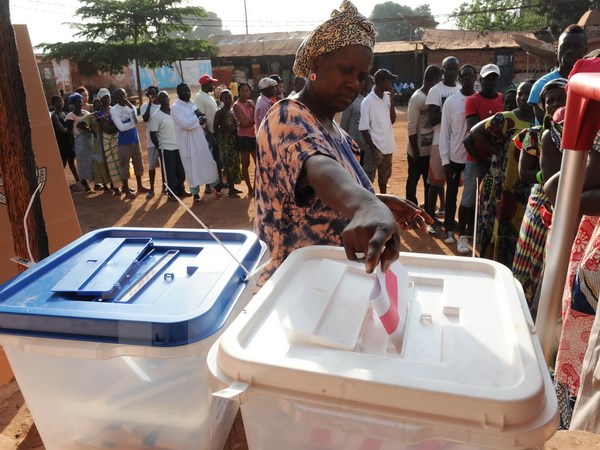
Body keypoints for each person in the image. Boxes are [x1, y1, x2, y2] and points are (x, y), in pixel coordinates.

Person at [255, 0, 431, 285]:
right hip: (289, 286)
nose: (354, 83)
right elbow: (320, 169)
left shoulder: (341, 136)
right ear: (315, 64)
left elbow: (322, 198)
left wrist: (375, 201)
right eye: (345, 69)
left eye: (361, 76)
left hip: (329, 281)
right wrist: (366, 207)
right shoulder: (287, 116)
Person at [512, 79, 567, 309]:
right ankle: (521, 309)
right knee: (529, 256)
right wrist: (547, 175)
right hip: (540, 204)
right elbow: (524, 172)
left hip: (567, 203)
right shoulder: (533, 135)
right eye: (549, 101)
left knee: (555, 264)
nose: (554, 104)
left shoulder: (582, 135)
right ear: (542, 106)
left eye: (560, 100)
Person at [468, 81, 535, 265]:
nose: (522, 98)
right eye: (520, 94)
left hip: (525, 186)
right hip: (501, 184)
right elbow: (474, 132)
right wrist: (498, 153)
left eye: (527, 94)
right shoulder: (506, 118)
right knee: (494, 227)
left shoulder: (539, 122)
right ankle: (491, 266)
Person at [462, 64, 504, 240]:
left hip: (497, 160)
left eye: (493, 78)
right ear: (481, 80)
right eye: (487, 78)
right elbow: (473, 132)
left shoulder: (502, 99)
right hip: (476, 157)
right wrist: (486, 159)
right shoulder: (473, 100)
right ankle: (463, 235)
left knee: (492, 199)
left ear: (497, 80)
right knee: (469, 199)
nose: (490, 81)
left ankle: (481, 234)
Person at [438, 64, 477, 252]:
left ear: (476, 77)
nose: (468, 78)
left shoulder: (478, 99)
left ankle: (467, 229)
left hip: (474, 156)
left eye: (471, 75)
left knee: (470, 196)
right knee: (452, 194)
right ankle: (449, 230)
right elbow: (445, 132)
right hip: (454, 156)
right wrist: (445, 160)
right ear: (459, 79)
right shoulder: (451, 102)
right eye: (464, 75)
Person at [425, 56, 461, 234]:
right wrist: (448, 106)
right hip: (439, 142)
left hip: (457, 144)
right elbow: (432, 120)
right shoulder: (435, 91)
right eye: (449, 69)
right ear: (443, 71)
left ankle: (449, 220)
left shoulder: (461, 90)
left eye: (455, 69)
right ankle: (431, 220)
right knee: (435, 183)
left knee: (453, 185)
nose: (453, 72)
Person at [171, 82, 222, 205]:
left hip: (199, 139)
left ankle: (214, 187)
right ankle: (196, 195)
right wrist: (197, 118)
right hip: (187, 143)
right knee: (192, 169)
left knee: (207, 162)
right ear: (178, 93)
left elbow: (199, 119)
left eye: (188, 91)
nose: (187, 93)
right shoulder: (175, 107)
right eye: (184, 91)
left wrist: (202, 120)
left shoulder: (192, 104)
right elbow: (185, 124)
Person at [528, 24, 587, 122]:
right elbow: (548, 125)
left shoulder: (589, 83)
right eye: (565, 47)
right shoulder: (542, 85)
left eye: (576, 47)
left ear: (585, 50)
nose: (570, 51)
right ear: (557, 50)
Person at [405, 65, 442, 211]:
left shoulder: (433, 97)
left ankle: (428, 210)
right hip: (417, 151)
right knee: (413, 181)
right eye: (439, 80)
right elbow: (411, 126)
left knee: (429, 184)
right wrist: (415, 151)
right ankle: (410, 211)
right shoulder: (418, 98)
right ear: (434, 79)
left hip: (430, 151)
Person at [359, 68, 398, 193]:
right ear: (380, 82)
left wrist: (392, 101)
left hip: (387, 146)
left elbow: (392, 120)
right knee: (368, 181)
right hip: (374, 148)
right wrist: (373, 148)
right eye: (389, 81)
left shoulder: (388, 97)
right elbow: (363, 128)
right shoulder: (367, 102)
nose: (391, 84)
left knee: (384, 180)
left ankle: (384, 204)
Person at [111, 88, 150, 198]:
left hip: (134, 139)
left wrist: (132, 115)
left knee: (138, 163)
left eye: (123, 95)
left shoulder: (131, 106)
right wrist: (132, 123)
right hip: (123, 141)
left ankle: (140, 186)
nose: (122, 97)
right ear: (115, 97)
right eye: (119, 95)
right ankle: (127, 190)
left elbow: (136, 121)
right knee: (124, 164)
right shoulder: (114, 110)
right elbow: (121, 128)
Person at [148, 91, 187, 201]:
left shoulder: (175, 112)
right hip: (166, 148)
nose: (165, 99)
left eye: (166, 96)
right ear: (159, 101)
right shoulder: (157, 115)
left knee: (181, 171)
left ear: (169, 98)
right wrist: (159, 147)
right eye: (162, 97)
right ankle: (172, 194)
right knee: (170, 173)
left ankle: (181, 190)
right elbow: (152, 133)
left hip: (178, 147)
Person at [194, 74, 224, 192]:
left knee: (217, 159)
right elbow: (200, 118)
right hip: (207, 134)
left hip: (215, 131)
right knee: (209, 159)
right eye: (211, 83)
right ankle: (208, 186)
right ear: (205, 84)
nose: (213, 85)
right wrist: (209, 135)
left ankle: (219, 183)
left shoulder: (208, 96)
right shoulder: (199, 98)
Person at [340, 74, 374, 166]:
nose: (372, 85)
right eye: (370, 83)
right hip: (353, 146)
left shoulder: (369, 101)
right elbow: (343, 125)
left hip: (366, 146)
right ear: (362, 84)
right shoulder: (352, 101)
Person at [214, 89, 243, 197]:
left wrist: (235, 128)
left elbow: (236, 125)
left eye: (229, 97)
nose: (228, 100)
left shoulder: (231, 111)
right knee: (229, 165)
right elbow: (215, 128)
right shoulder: (219, 112)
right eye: (225, 98)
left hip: (233, 142)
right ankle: (231, 190)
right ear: (221, 99)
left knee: (234, 164)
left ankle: (233, 188)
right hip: (226, 143)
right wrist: (226, 130)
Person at [50, 95, 81, 191]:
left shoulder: (65, 113)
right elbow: (61, 129)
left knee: (71, 162)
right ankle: (59, 183)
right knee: (63, 163)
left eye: (62, 101)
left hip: (68, 141)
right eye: (58, 102)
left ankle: (78, 181)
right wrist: (70, 130)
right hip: (62, 142)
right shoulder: (55, 115)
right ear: (54, 104)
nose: (60, 104)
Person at [80, 98, 112, 192]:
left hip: (107, 139)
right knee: (100, 163)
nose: (97, 105)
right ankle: (105, 187)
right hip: (97, 142)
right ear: (93, 106)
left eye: (99, 103)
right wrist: (91, 131)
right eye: (95, 104)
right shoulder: (91, 116)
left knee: (108, 162)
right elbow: (80, 125)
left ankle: (113, 185)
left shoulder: (104, 113)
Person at [96, 88, 122, 195]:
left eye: (109, 97)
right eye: (105, 98)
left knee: (121, 163)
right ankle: (116, 188)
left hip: (118, 138)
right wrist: (120, 126)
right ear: (101, 100)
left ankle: (124, 185)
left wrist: (119, 126)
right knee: (112, 164)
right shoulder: (100, 114)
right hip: (108, 140)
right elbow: (107, 129)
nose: (108, 99)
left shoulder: (114, 109)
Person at [232, 82, 257, 195]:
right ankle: (250, 188)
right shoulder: (236, 105)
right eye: (243, 90)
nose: (245, 92)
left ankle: (256, 186)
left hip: (253, 135)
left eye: (247, 90)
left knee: (258, 163)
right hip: (243, 137)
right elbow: (243, 123)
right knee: (246, 163)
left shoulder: (251, 103)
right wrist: (252, 120)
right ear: (239, 91)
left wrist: (249, 120)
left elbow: (248, 121)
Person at [65, 93, 92, 192]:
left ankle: (96, 182)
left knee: (91, 160)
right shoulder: (70, 116)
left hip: (89, 139)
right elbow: (69, 131)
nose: (79, 103)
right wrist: (73, 144)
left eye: (80, 101)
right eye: (77, 102)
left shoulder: (86, 113)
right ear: (73, 103)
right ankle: (85, 185)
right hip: (79, 141)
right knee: (81, 163)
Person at [140, 85, 163, 199]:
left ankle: (165, 186)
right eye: (149, 94)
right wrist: (150, 102)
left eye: (153, 93)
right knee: (152, 166)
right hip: (151, 141)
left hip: (163, 139)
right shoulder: (145, 106)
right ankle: (152, 188)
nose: (151, 95)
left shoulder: (162, 105)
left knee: (164, 165)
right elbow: (145, 119)